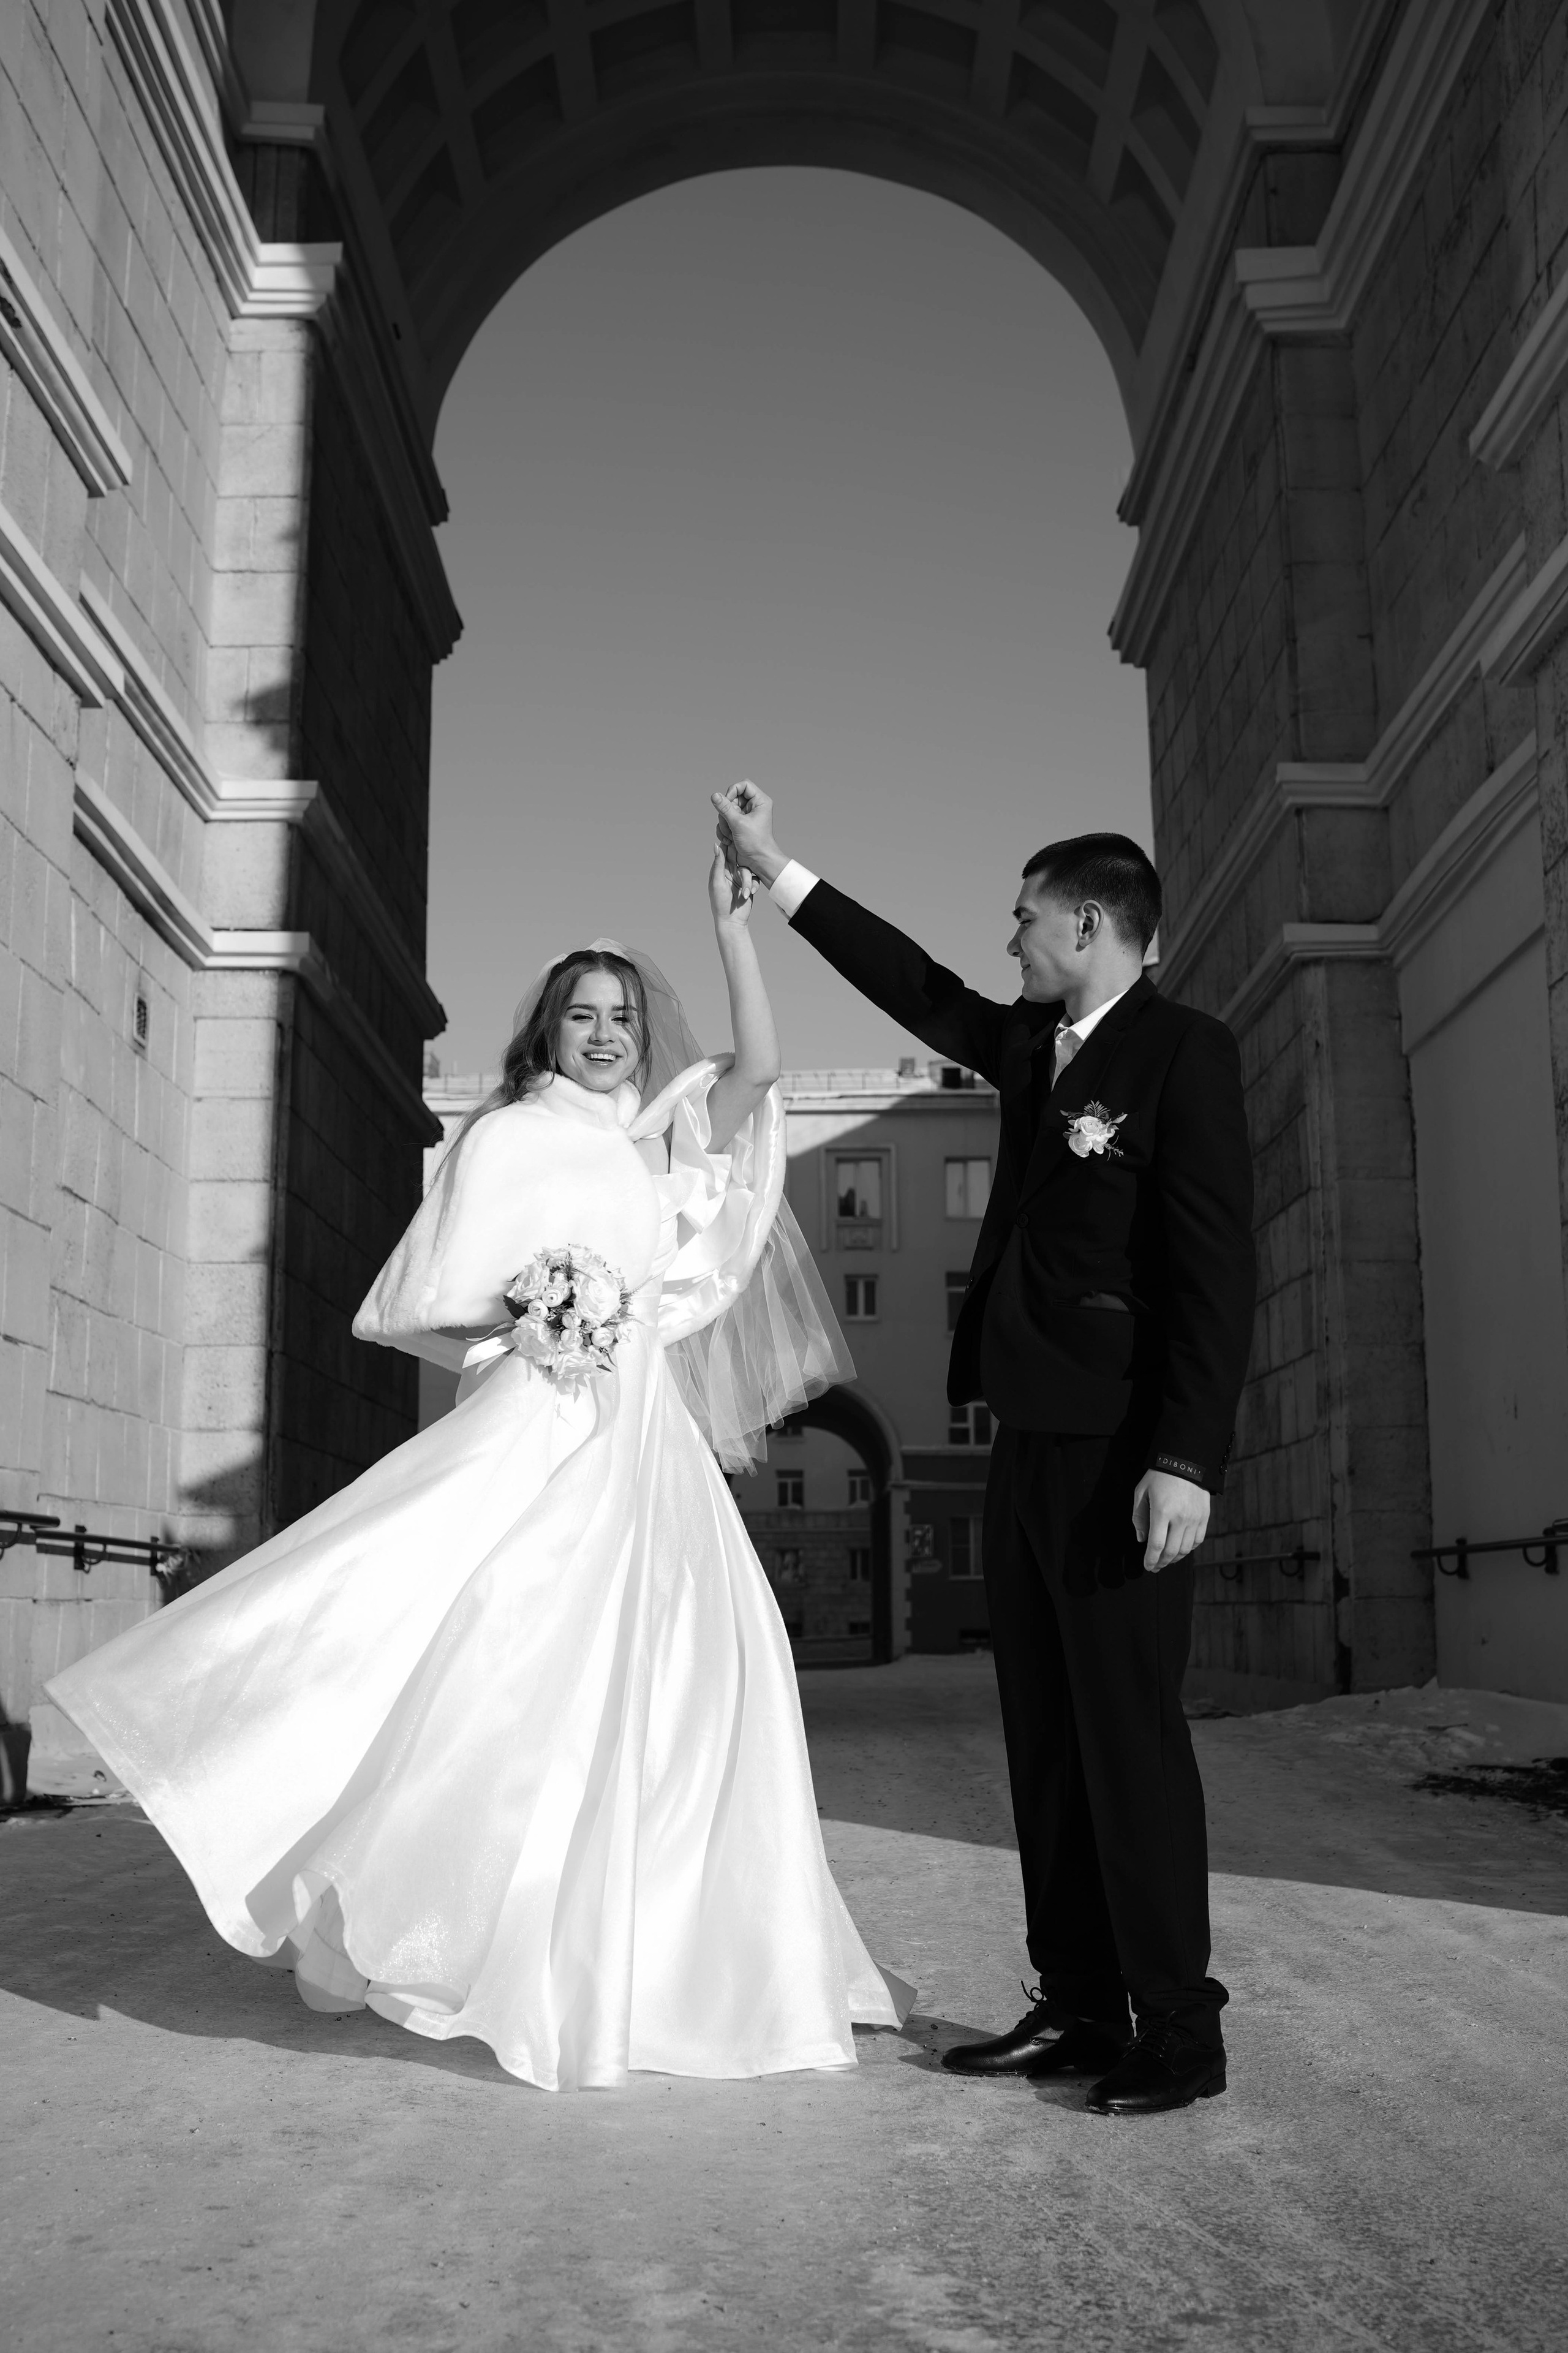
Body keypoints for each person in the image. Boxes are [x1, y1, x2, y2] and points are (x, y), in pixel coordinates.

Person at [48, 841, 909, 2091]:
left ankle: (650, 1957)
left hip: (645, 1445)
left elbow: (763, 1067)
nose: (606, 1033)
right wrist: (530, 1317)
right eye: (582, 1015)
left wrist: (733, 927)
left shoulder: (660, 1138)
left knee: (681, 1684)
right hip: (530, 1422)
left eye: (622, 1016)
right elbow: (424, 1301)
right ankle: (424, 1891)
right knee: (476, 1646)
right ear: (546, 1031)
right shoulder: (501, 1137)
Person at [712, 782, 1255, 2117]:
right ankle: (1075, 2005)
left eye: (1023, 917)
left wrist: (1183, 1458)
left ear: (1087, 921)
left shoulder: (1184, 1052)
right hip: (1022, 1439)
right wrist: (781, 875)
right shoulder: (1029, 1044)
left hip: (1122, 1453)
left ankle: (1178, 2031)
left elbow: (1213, 1271)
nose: (1007, 937)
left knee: (1127, 1742)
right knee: (1046, 1745)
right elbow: (919, 986)